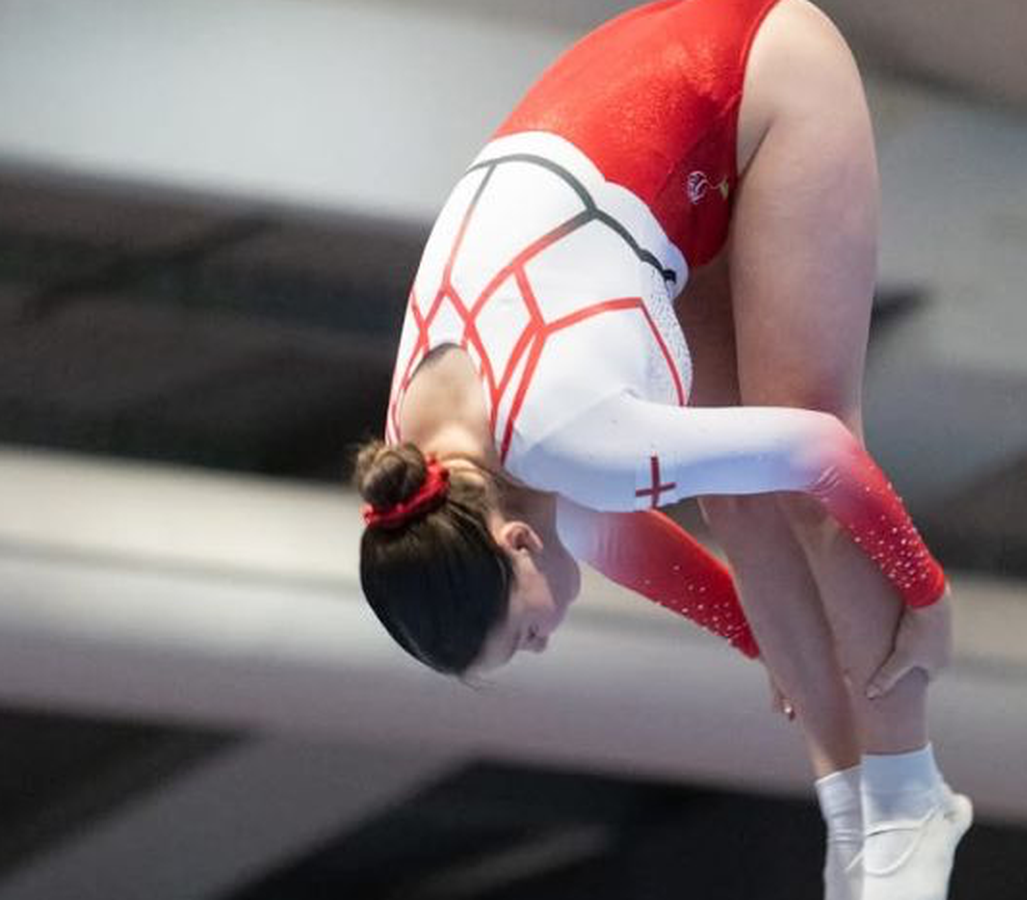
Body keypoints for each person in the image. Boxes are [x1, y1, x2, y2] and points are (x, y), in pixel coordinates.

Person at [356, 1, 972, 897]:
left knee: (801, 475)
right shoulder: (434, 468)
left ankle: (912, 798)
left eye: (524, 634)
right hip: (646, 158)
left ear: (516, 544)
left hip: (752, 70)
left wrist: (926, 593)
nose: (543, 643)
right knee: (737, 500)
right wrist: (762, 638)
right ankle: (851, 818)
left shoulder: (564, 433)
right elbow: (615, 539)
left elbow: (825, 453)